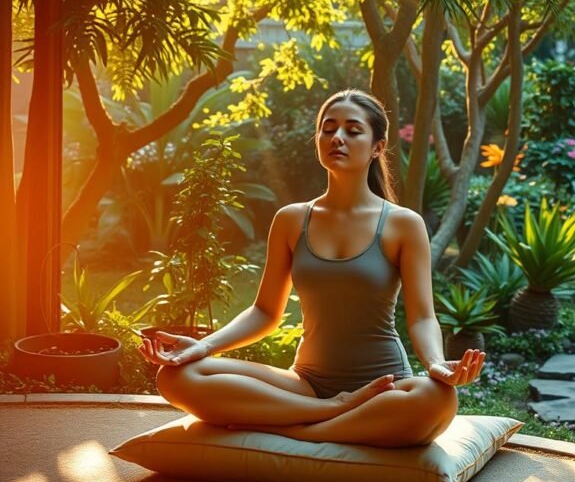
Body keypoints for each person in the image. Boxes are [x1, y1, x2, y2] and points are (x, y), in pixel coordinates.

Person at [139, 89, 485, 448]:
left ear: (378, 147)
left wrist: (435, 364)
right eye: (328, 128)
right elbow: (264, 312)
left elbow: (422, 318)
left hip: (384, 384)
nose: (337, 137)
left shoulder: (403, 224)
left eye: (353, 130)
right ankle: (331, 412)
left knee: (438, 399)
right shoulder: (291, 220)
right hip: (305, 384)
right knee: (175, 377)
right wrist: (202, 347)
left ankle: (295, 427)